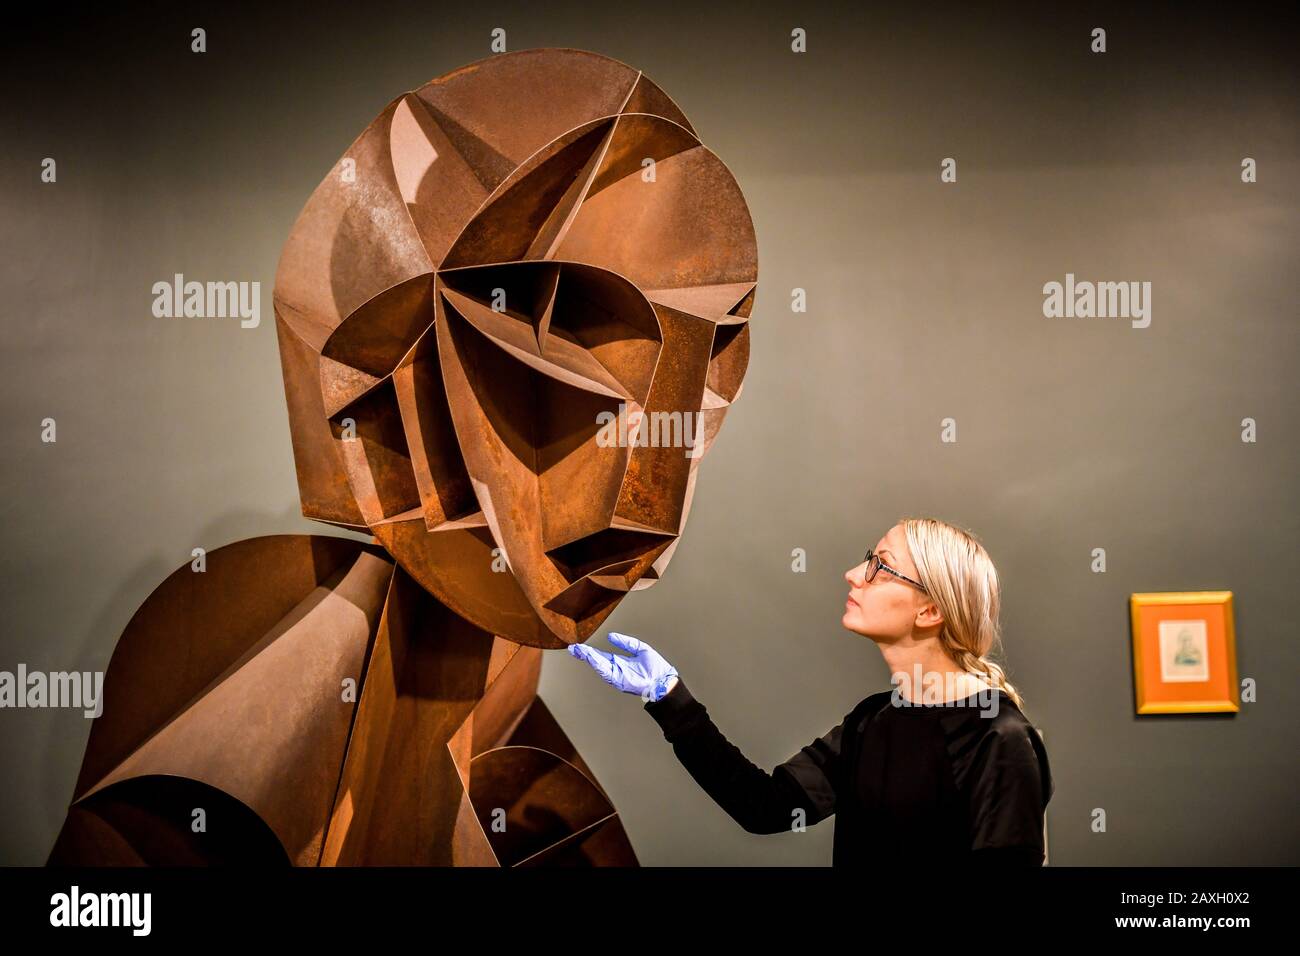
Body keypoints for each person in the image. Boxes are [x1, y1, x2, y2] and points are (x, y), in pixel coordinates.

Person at [569, 515, 1054, 866]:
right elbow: (767, 807)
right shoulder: (873, 719)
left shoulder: (1000, 739)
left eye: (879, 566)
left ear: (929, 611)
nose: (853, 574)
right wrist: (667, 694)